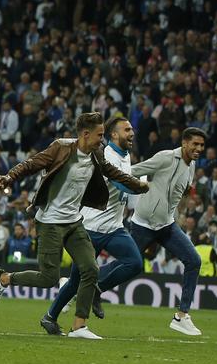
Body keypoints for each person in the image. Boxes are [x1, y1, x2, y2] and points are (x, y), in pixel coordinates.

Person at [0, 112, 150, 340]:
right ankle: (4, 278)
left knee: (90, 270)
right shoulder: (61, 148)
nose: (102, 140)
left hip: (74, 222)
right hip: (50, 222)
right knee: (49, 278)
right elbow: (31, 164)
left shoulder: (96, 155)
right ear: (85, 134)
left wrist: (138, 186)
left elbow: (113, 173)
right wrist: (9, 177)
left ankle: (79, 326)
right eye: (99, 135)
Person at [43, 116, 143, 335]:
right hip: (91, 227)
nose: (132, 133)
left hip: (114, 227)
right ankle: (50, 317)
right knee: (76, 280)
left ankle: (97, 289)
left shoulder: (126, 157)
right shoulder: (105, 154)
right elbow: (120, 184)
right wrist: (143, 186)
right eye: (127, 130)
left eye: (132, 129)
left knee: (135, 263)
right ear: (114, 135)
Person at [128, 127, 207, 336]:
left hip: (166, 225)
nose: (198, 148)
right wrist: (141, 186)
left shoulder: (191, 167)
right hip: (143, 224)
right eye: (195, 144)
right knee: (127, 266)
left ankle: (181, 316)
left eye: (201, 145)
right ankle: (85, 290)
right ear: (184, 143)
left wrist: (174, 214)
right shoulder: (165, 158)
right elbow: (133, 170)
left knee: (194, 260)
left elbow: (177, 196)